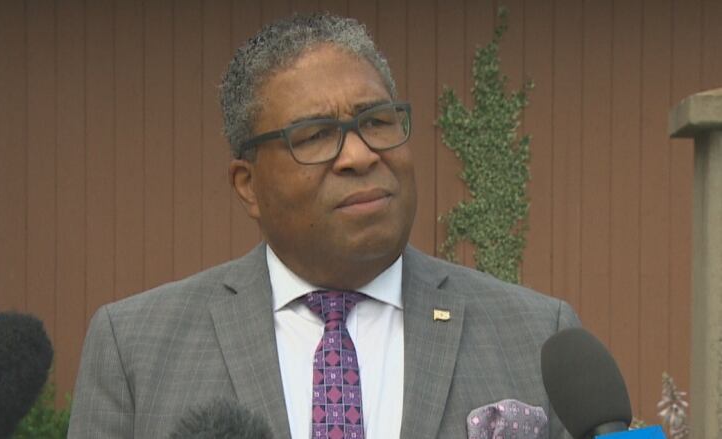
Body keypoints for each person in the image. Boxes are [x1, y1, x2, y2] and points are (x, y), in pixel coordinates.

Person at [68, 13, 579, 439]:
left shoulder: (540, 336)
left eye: (377, 121)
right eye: (315, 136)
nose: (359, 155)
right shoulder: (134, 346)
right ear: (247, 184)